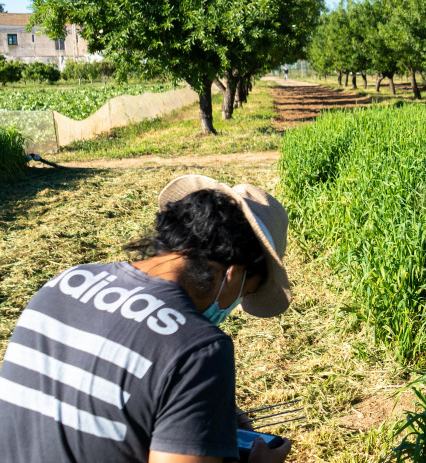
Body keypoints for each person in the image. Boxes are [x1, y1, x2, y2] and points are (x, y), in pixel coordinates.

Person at [0, 175, 293, 463]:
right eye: (244, 293)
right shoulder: (200, 349)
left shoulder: (66, 280)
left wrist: (191, 416)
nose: (235, 307)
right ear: (234, 273)